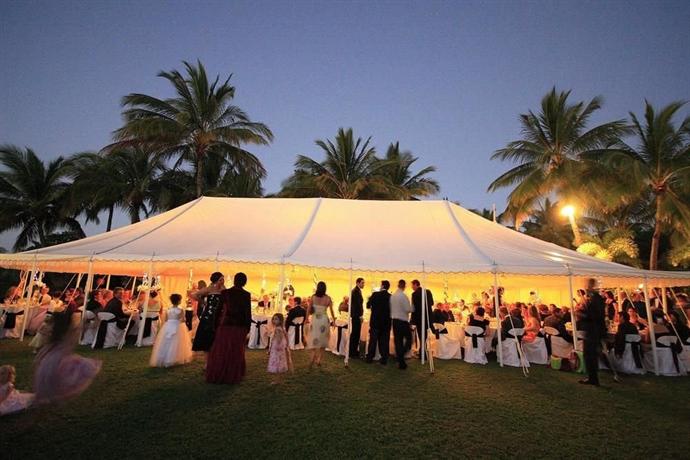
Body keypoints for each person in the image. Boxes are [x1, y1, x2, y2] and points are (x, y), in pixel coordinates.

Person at [32, 310, 102, 404]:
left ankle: (47, 394)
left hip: (53, 359)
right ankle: (50, 393)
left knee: (51, 378)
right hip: (58, 359)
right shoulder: (65, 335)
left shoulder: (56, 335)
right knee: (59, 377)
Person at [206, 272, 252, 384]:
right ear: (245, 282)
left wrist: (215, 324)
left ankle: (219, 372)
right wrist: (248, 327)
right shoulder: (246, 295)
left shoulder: (225, 293)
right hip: (239, 326)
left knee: (222, 350)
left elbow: (218, 310)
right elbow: (247, 313)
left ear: (234, 280)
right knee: (236, 351)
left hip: (225, 325)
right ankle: (232, 374)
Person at [150, 294, 193, 368]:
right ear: (179, 301)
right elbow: (183, 320)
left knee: (166, 341)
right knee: (177, 342)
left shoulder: (168, 309)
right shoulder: (180, 310)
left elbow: (166, 319)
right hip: (177, 325)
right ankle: (174, 357)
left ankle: (163, 357)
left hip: (168, 325)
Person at [579, 279, 607, 386]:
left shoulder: (597, 299)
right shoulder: (593, 299)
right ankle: (591, 377)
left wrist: (582, 315)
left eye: (588, 286)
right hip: (591, 330)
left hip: (594, 331)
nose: (586, 288)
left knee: (591, 355)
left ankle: (593, 378)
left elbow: (595, 316)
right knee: (589, 355)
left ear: (592, 286)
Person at [191, 272, 225, 356]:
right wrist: (202, 302)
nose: (223, 281)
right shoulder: (209, 289)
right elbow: (194, 295)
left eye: (223, 279)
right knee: (208, 333)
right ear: (216, 280)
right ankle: (207, 354)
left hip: (220, 314)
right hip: (209, 314)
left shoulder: (223, 288)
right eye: (221, 280)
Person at [306, 281, 336, 368]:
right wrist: (334, 320)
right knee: (323, 339)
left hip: (315, 319)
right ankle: (319, 359)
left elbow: (308, 309)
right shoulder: (328, 298)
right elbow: (331, 310)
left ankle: (313, 356)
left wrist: (306, 318)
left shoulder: (313, 297)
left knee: (313, 337)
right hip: (324, 320)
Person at [366, 281, 392, 365]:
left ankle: (370, 358)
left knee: (373, 341)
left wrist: (369, 300)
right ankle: (384, 359)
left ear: (382, 286)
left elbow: (368, 306)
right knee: (384, 342)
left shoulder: (375, 294)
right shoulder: (391, 297)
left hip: (375, 322)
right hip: (386, 323)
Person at [390, 280, 413, 370]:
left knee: (398, 341)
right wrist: (412, 308)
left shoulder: (393, 296)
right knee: (409, 339)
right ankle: (401, 354)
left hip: (395, 321)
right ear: (404, 286)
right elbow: (408, 309)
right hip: (403, 321)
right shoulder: (403, 296)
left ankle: (401, 362)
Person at [410, 280, 435, 356]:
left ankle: (422, 353)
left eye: (412, 285)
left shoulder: (414, 294)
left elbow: (414, 308)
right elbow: (432, 303)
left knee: (421, 336)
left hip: (419, 318)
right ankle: (423, 352)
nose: (412, 287)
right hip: (427, 318)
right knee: (425, 336)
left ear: (416, 284)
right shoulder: (428, 292)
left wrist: (412, 320)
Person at [267, 313, 292, 384]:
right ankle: (279, 380)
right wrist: (286, 345)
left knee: (276, 364)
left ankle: (276, 380)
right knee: (280, 363)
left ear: (280, 321)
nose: (274, 320)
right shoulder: (282, 328)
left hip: (277, 349)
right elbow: (286, 337)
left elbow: (278, 339)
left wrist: (276, 346)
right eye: (273, 319)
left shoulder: (278, 329)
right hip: (280, 348)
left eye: (276, 319)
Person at [349, 278, 365, 359]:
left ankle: (354, 351)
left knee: (356, 334)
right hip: (356, 316)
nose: (363, 284)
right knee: (355, 334)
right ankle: (352, 352)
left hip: (356, 315)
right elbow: (357, 305)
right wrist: (360, 316)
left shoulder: (357, 291)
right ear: (357, 283)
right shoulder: (355, 291)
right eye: (362, 283)